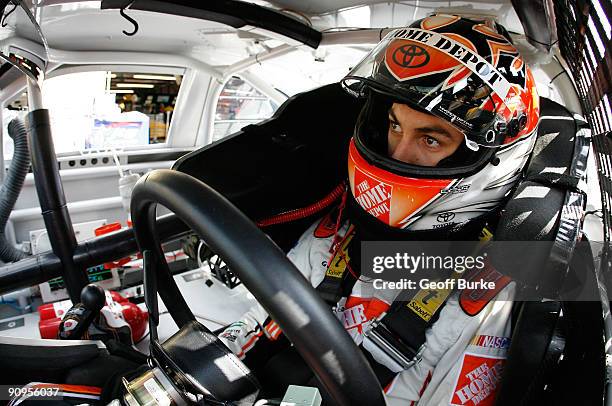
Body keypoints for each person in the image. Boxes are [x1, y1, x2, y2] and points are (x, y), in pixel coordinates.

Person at [219, 14, 539, 405]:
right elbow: (256, 328)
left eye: (431, 140)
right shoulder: (336, 232)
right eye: (393, 125)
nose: (396, 154)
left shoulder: (483, 297)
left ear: (492, 160)